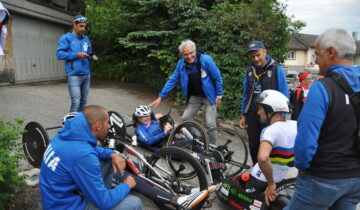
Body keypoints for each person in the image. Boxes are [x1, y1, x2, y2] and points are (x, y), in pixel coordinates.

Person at [40, 105, 210, 210]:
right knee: (134, 203)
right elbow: (104, 202)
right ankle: (176, 199)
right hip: (68, 206)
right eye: (108, 123)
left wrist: (112, 153)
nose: (110, 126)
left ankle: (181, 193)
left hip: (57, 198)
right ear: (98, 125)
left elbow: (95, 152)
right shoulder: (82, 154)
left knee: (109, 162)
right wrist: (127, 186)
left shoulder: (63, 137)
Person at [285, 28, 360, 209]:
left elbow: (306, 138)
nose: (316, 61)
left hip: (323, 177)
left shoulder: (322, 87)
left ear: (331, 52)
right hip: (355, 179)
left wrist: (301, 165)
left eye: (317, 55)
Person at [220, 90, 296, 208]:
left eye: (261, 108)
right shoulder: (295, 125)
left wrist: (271, 184)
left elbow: (262, 158)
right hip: (282, 180)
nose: (259, 112)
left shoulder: (270, 131)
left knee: (226, 186)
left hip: (261, 181)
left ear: (271, 110)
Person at [148, 39, 223, 145]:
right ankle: (197, 140)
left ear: (195, 50)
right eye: (185, 54)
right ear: (182, 55)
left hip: (209, 96)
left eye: (191, 53)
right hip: (194, 96)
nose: (189, 56)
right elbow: (173, 80)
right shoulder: (181, 64)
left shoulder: (206, 60)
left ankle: (212, 147)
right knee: (186, 118)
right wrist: (161, 96)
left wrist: (219, 95)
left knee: (210, 123)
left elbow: (217, 77)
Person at [239, 41, 289, 165]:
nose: (255, 59)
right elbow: (246, 93)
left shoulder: (277, 69)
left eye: (258, 55)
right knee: (253, 145)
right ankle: (257, 171)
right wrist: (243, 114)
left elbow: (284, 93)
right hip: (252, 113)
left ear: (265, 52)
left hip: (270, 114)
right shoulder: (249, 71)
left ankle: (271, 175)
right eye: (252, 56)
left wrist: (282, 115)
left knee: (268, 145)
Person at [56, 15, 97, 113]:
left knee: (83, 102)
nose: (83, 28)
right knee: (76, 102)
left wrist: (92, 56)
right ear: (74, 24)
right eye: (81, 26)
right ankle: (72, 124)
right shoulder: (66, 38)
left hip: (86, 75)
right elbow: (59, 54)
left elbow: (89, 52)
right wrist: (76, 55)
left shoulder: (86, 39)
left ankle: (80, 122)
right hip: (74, 75)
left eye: (85, 26)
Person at [133, 105, 203, 153]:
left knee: (198, 141)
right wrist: (164, 133)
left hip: (171, 139)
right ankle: (210, 165)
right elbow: (148, 141)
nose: (148, 118)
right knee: (191, 144)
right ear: (139, 118)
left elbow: (159, 116)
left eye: (148, 115)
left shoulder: (153, 121)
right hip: (164, 146)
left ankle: (206, 154)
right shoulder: (140, 129)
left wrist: (172, 128)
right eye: (145, 116)